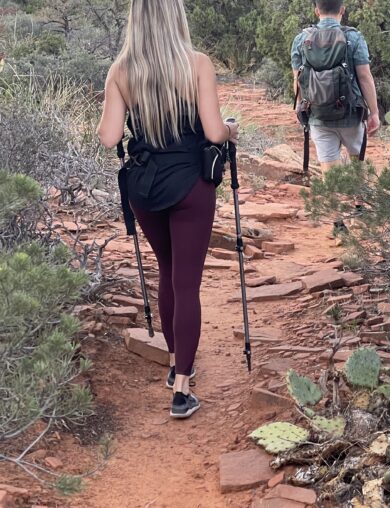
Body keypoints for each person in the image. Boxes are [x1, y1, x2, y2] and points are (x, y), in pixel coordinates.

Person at [97, 0, 239, 419]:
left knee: (167, 271)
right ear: (176, 17)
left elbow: (108, 137)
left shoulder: (121, 71)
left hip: (145, 187)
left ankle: (177, 359)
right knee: (187, 282)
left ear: (136, 21)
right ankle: (181, 387)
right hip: (191, 185)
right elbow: (214, 131)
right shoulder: (196, 64)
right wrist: (232, 129)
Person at [291, 0, 380, 175]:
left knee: (330, 175)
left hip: (318, 116)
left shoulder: (301, 39)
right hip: (351, 116)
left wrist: (301, 107)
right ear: (342, 10)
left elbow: (297, 79)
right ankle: (358, 202)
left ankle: (332, 201)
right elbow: (364, 76)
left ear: (317, 11)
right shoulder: (353, 37)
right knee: (358, 170)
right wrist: (374, 112)